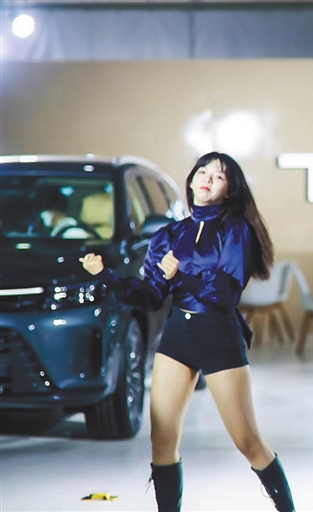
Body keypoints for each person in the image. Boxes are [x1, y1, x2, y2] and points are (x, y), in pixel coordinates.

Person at [79, 152, 295, 512]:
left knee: (247, 441)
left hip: (219, 336)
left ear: (230, 190)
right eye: (203, 171)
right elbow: (150, 297)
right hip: (177, 337)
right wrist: (106, 276)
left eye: (219, 176)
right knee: (162, 440)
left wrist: (181, 276)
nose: (208, 178)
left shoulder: (236, 230)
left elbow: (225, 293)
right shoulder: (168, 235)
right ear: (192, 179)